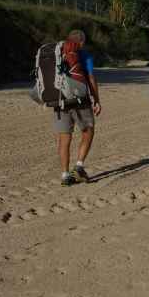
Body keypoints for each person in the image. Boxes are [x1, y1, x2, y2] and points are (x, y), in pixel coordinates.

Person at [56, 29, 101, 186]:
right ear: (81, 42)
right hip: (79, 99)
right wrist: (96, 100)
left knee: (64, 137)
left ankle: (64, 175)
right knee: (88, 130)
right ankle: (79, 167)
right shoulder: (84, 55)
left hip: (60, 99)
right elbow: (90, 78)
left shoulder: (58, 53)